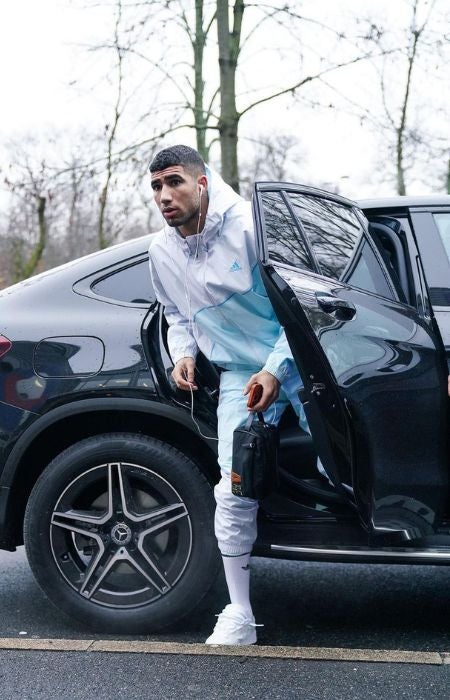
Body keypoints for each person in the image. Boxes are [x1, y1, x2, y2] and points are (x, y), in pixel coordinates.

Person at [148, 144, 308, 645]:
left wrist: (277, 370)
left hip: (308, 359)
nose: (164, 196)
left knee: (345, 463)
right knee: (233, 489)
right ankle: (239, 615)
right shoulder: (161, 251)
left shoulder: (250, 228)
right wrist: (184, 354)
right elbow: (176, 314)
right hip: (240, 374)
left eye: (174, 181)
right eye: (155, 186)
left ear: (202, 182)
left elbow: (303, 306)